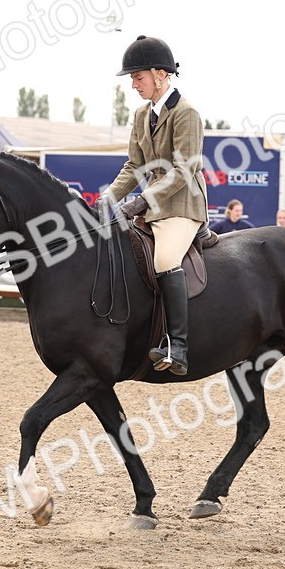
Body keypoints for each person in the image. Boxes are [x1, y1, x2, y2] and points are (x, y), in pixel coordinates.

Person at [100, 35, 208, 376]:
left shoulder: (186, 112)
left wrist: (142, 200)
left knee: (164, 258)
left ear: (160, 74)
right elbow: (134, 166)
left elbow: (185, 168)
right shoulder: (140, 115)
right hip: (152, 207)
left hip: (183, 205)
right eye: (132, 79)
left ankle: (178, 346)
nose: (134, 84)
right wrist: (108, 198)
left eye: (138, 77)